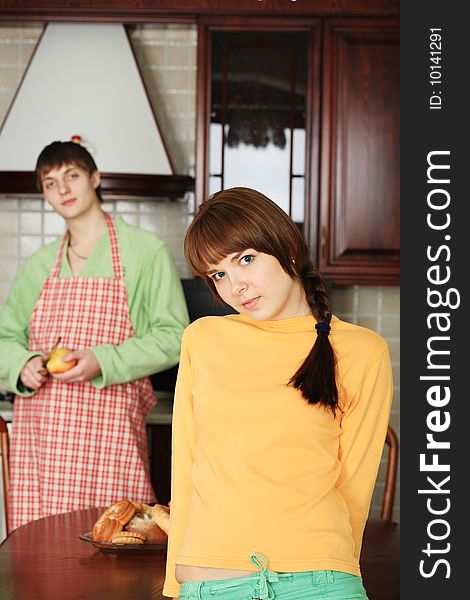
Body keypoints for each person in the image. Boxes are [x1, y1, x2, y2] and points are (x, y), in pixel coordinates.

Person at [163, 187, 393, 600]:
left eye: (245, 260)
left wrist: (340, 573)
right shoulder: (203, 339)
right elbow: (186, 466)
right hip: (214, 581)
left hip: (322, 580)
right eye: (219, 275)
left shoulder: (364, 351)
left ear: (286, 247)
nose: (236, 287)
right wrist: (174, 584)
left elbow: (355, 491)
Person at [0, 140, 189, 532]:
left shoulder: (145, 252)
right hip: (43, 449)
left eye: (72, 176)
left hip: (111, 438)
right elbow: (4, 338)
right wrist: (23, 365)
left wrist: (102, 360)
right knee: (42, 558)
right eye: (50, 183)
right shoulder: (38, 266)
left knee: (115, 550)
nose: (63, 190)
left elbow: (174, 336)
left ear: (95, 178)